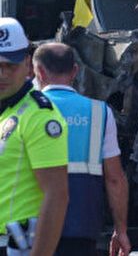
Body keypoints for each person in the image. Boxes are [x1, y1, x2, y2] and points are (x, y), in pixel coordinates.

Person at [32, 42, 131, 256]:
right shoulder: (100, 113)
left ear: (38, 71)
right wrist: (120, 230)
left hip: (32, 228)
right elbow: (115, 179)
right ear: (75, 71)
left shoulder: (22, 112)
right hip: (82, 227)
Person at [0, 17, 69, 256]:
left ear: (28, 65)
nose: (3, 74)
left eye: (11, 65)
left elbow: (57, 195)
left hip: (15, 247)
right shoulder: (4, 111)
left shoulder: (39, 115)